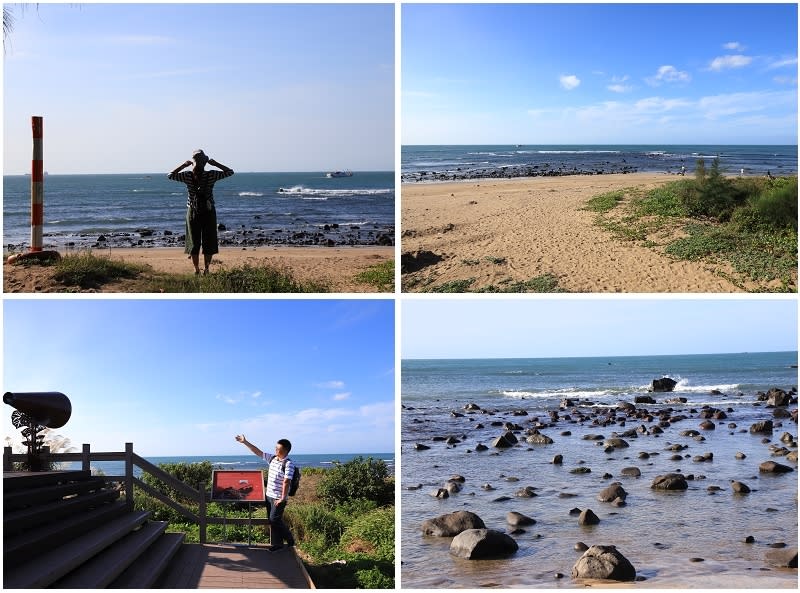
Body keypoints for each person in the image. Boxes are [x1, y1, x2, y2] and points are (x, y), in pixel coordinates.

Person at [168, 150, 234, 274]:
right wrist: (215, 164)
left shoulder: (187, 176)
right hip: (209, 212)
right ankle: (207, 269)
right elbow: (230, 172)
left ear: (193, 162)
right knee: (209, 240)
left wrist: (184, 165)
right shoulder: (212, 174)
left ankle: (196, 269)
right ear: (205, 162)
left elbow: (170, 175)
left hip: (192, 212)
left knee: (193, 241)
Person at [235, 434, 296, 551]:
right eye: (276, 448)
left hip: (278, 498)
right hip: (269, 496)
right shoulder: (273, 459)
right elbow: (258, 452)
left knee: (274, 519)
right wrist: (245, 442)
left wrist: (282, 498)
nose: (276, 450)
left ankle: (290, 539)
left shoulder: (288, 464)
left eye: (279, 449)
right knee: (271, 521)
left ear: (286, 450)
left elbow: (287, 481)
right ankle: (278, 544)